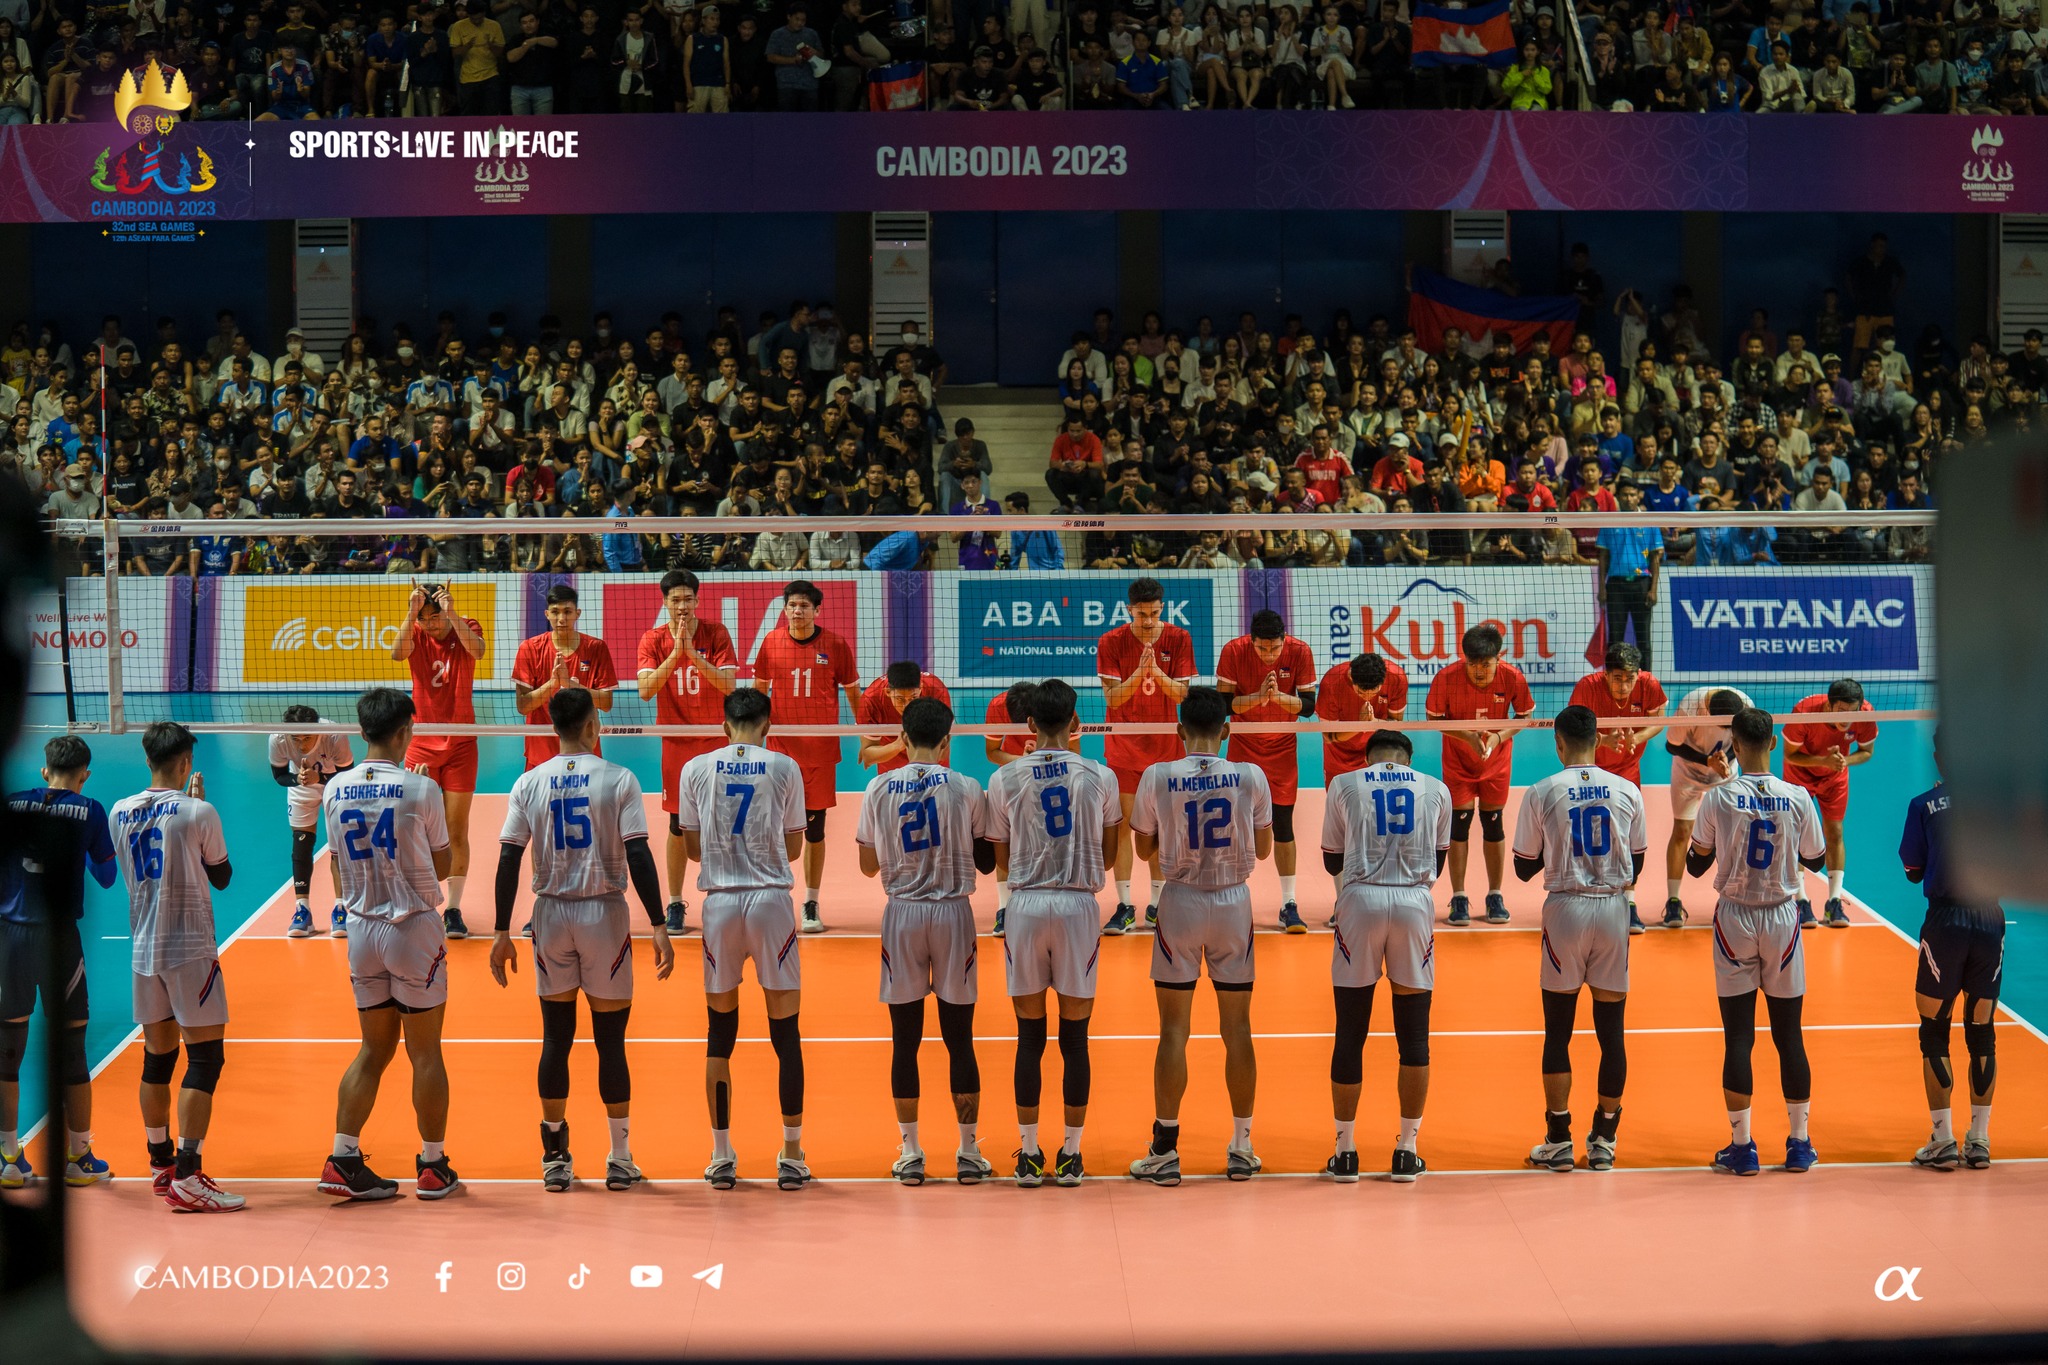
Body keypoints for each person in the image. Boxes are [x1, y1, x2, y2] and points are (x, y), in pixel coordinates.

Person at [491, 688, 674, 1193]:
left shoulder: (528, 782)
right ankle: (619, 1158)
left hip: (548, 915)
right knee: (610, 1042)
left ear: (555, 729)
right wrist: (659, 924)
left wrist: (503, 931)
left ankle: (555, 1157)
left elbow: (509, 859)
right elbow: (638, 855)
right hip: (603, 915)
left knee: (556, 1037)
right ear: (594, 726)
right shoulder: (619, 780)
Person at [1126, 687, 1273, 1186]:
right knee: (1238, 1030)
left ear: (1179, 731)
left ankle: (1165, 1150)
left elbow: (1144, 848)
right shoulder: (1251, 776)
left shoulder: (1157, 776)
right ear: (1227, 730)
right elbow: (1268, 845)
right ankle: (1242, 1146)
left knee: (1173, 1032)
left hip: (1181, 903)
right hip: (1233, 903)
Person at [317, 689, 459, 1202]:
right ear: (405, 734)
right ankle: (433, 1165)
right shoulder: (421, 791)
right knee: (425, 1053)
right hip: (412, 929)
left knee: (373, 1049)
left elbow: (334, 863)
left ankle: (343, 1157)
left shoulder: (334, 790)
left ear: (361, 732)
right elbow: (444, 866)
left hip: (359, 931)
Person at [854, 698, 997, 1185]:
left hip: (904, 916)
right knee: (961, 1039)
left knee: (905, 1040)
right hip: (954, 915)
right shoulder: (966, 787)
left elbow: (868, 866)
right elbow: (986, 863)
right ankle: (969, 1153)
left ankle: (912, 1152)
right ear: (946, 741)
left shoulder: (877, 788)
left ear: (902, 736)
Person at [984, 679, 1121, 1188]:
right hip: (1078, 908)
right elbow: (1109, 857)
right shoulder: (1100, 776)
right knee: (1076, 1039)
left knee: (1028, 1038)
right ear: (1077, 724)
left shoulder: (1005, 778)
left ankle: (1026, 1153)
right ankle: (1071, 1153)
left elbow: (998, 858)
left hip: (1023, 905)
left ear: (1030, 727)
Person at [677, 687, 811, 1191]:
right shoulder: (784, 767)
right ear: (767, 724)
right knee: (786, 1035)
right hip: (772, 902)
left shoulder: (696, 768)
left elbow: (691, 849)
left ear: (724, 723)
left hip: (721, 905)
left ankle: (721, 1155)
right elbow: (796, 846)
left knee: (719, 1034)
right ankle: (792, 1155)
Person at [1686, 707, 1827, 1176]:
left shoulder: (1719, 798)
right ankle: (1800, 1143)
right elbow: (1816, 859)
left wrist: (1726, 799)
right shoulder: (1800, 796)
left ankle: (1743, 1148)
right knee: (1790, 1036)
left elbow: (1696, 865)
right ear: (1772, 742)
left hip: (1735, 920)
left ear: (1734, 745)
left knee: (1739, 1038)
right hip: (1783, 918)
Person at [111, 723, 241, 1211]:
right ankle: (188, 1175)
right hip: (189, 950)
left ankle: (159, 1163)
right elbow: (223, 877)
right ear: (186, 763)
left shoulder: (119, 811)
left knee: (157, 1060)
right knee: (205, 1061)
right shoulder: (198, 811)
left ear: (149, 759)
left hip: (143, 950)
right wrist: (199, 811)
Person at [1512, 706, 1648, 1173]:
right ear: (1599, 740)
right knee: (1613, 1033)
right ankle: (1606, 1138)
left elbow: (1524, 868)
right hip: (1613, 911)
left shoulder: (1542, 791)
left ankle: (1558, 1139)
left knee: (1558, 1030)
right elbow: (1639, 861)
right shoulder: (1628, 789)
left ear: (1559, 743)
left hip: (1566, 911)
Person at [1320, 728, 1451, 1182]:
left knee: (1350, 1032)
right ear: (1408, 758)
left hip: (1359, 904)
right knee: (1413, 1036)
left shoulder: (1344, 784)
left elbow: (1332, 861)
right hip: (1414, 904)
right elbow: (1441, 856)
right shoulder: (1435, 788)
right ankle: (1407, 1150)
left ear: (1369, 757)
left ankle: (1346, 1152)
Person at [0, 737, 117, 1190]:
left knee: (8, 1050)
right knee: (71, 1049)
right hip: (59, 940)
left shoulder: (12, 805)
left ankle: (9, 1157)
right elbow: (106, 877)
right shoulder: (89, 809)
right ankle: (79, 1155)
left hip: (10, 938)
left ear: (45, 770)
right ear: (84, 773)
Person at [1900, 732, 2002, 1171]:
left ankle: (1943, 1141)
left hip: (1945, 923)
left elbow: (1912, 869)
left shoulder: (1924, 805)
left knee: (1933, 1031)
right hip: (1989, 919)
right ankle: (1978, 1140)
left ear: (1939, 758)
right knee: (1982, 1031)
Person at [753, 580, 861, 934]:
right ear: (784, 608)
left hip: (819, 752)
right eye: (791, 605)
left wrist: (865, 734)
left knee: (815, 831)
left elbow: (852, 692)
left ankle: (811, 901)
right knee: (772, 827)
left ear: (818, 610)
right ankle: (773, 893)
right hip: (780, 751)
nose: (796, 611)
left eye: (803, 605)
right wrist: (755, 738)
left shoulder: (835, 645)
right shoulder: (771, 642)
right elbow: (759, 693)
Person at [636, 569, 739, 935]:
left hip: (715, 741)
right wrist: (676, 653)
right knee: (677, 825)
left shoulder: (716, 633)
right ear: (664, 602)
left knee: (721, 822)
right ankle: (676, 901)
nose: (682, 606)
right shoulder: (653, 638)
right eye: (675, 600)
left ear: (698, 600)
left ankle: (724, 891)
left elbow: (729, 685)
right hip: (677, 742)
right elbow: (645, 691)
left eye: (688, 599)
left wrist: (693, 654)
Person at [1096, 578, 1195, 934]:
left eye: (1155, 613)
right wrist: (1140, 672)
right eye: (1142, 614)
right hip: (1124, 746)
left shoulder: (1179, 638)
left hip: (1166, 749)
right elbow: (1113, 699)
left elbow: (1182, 695)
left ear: (1162, 608)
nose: (1149, 620)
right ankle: (1124, 905)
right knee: (1123, 828)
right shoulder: (1111, 641)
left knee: (1161, 829)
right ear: (1129, 610)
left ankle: (1157, 904)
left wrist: (1157, 673)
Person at [391, 582, 485, 941]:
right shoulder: (414, 631)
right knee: (418, 829)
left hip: (461, 742)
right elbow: (397, 655)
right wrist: (411, 611)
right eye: (424, 618)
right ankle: (422, 901)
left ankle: (455, 909)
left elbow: (477, 651)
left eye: (435, 617)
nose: (429, 624)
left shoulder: (467, 625)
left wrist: (452, 613)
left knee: (456, 830)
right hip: (421, 745)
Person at [1214, 610, 1316, 932]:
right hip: (1243, 748)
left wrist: (1280, 698)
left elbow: (1310, 706)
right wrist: (1259, 697)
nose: (1269, 655)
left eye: (1275, 649)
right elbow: (1224, 705)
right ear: (1251, 640)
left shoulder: (1299, 651)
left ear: (1284, 640)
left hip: (1283, 750)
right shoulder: (1233, 650)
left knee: (1284, 826)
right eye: (1262, 649)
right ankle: (1228, 898)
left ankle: (1289, 903)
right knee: (1232, 826)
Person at [1425, 625, 1533, 926]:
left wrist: (1498, 737)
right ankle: (1459, 896)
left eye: (1485, 664)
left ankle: (1494, 895)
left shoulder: (1512, 677)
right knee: (1459, 829)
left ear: (1499, 657)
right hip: (1458, 765)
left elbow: (1525, 717)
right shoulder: (1446, 678)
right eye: (1472, 664)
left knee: (1493, 825)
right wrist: (1468, 737)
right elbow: (1433, 721)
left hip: (1496, 765)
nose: (1479, 670)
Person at [1566, 643, 1667, 933]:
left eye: (1629, 678)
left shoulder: (1648, 684)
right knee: (1588, 836)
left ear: (1639, 674)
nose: (1624, 684)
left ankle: (1628, 902)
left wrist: (1639, 737)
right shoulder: (1587, 687)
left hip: (1627, 773)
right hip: (1590, 772)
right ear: (1605, 674)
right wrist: (1603, 741)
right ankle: (1585, 897)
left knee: (1626, 837)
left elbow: (1658, 718)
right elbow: (1573, 731)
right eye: (1618, 677)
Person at [1781, 679, 1877, 929]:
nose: (1847, 718)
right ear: (1827, 706)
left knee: (1834, 832)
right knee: (1798, 834)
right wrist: (1823, 760)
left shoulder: (1864, 714)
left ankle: (1834, 901)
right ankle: (1800, 900)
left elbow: (1866, 751)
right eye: (1841, 711)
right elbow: (1790, 755)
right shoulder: (1804, 713)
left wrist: (1844, 762)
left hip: (1835, 774)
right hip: (1800, 773)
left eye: (1852, 711)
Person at [1660, 685, 1751, 929]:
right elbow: (1672, 745)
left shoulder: (1745, 705)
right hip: (1688, 771)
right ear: (1708, 711)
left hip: (1725, 770)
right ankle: (1673, 902)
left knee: (1731, 835)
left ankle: (1732, 900)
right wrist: (1706, 762)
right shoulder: (1690, 707)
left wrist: (1726, 760)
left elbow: (1745, 741)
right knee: (1681, 831)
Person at [513, 583, 618, 771]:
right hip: (541, 751)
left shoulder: (596, 648)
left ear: (577, 613)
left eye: (567, 612)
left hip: (585, 750)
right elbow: (523, 706)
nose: (561, 618)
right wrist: (553, 683)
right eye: (555, 612)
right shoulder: (529, 648)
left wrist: (570, 684)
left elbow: (606, 703)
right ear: (547, 614)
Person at [271, 706, 353, 939]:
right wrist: (297, 778)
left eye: (307, 737)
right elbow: (278, 776)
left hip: (335, 784)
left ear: (317, 729)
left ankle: (341, 908)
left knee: (339, 846)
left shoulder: (334, 735)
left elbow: (348, 772)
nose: (301, 744)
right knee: (301, 844)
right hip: (301, 786)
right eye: (296, 738)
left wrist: (321, 778)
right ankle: (302, 910)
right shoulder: (277, 738)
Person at [1594, 482, 1663, 668]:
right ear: (1619, 497)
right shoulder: (1609, 522)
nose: (1628, 498)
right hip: (1616, 586)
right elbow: (1603, 557)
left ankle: (1647, 679)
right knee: (1615, 639)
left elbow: (1655, 558)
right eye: (1624, 495)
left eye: (1632, 494)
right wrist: (1602, 588)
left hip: (1642, 584)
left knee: (1644, 639)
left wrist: (1653, 588)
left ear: (1638, 496)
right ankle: (1611, 678)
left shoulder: (1649, 522)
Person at [856, 661, 955, 772]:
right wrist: (898, 745)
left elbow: (943, 752)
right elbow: (868, 756)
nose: (907, 706)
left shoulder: (937, 692)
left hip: (930, 758)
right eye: (900, 699)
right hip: (892, 758)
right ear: (888, 691)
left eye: (913, 698)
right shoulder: (870, 700)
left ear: (921, 688)